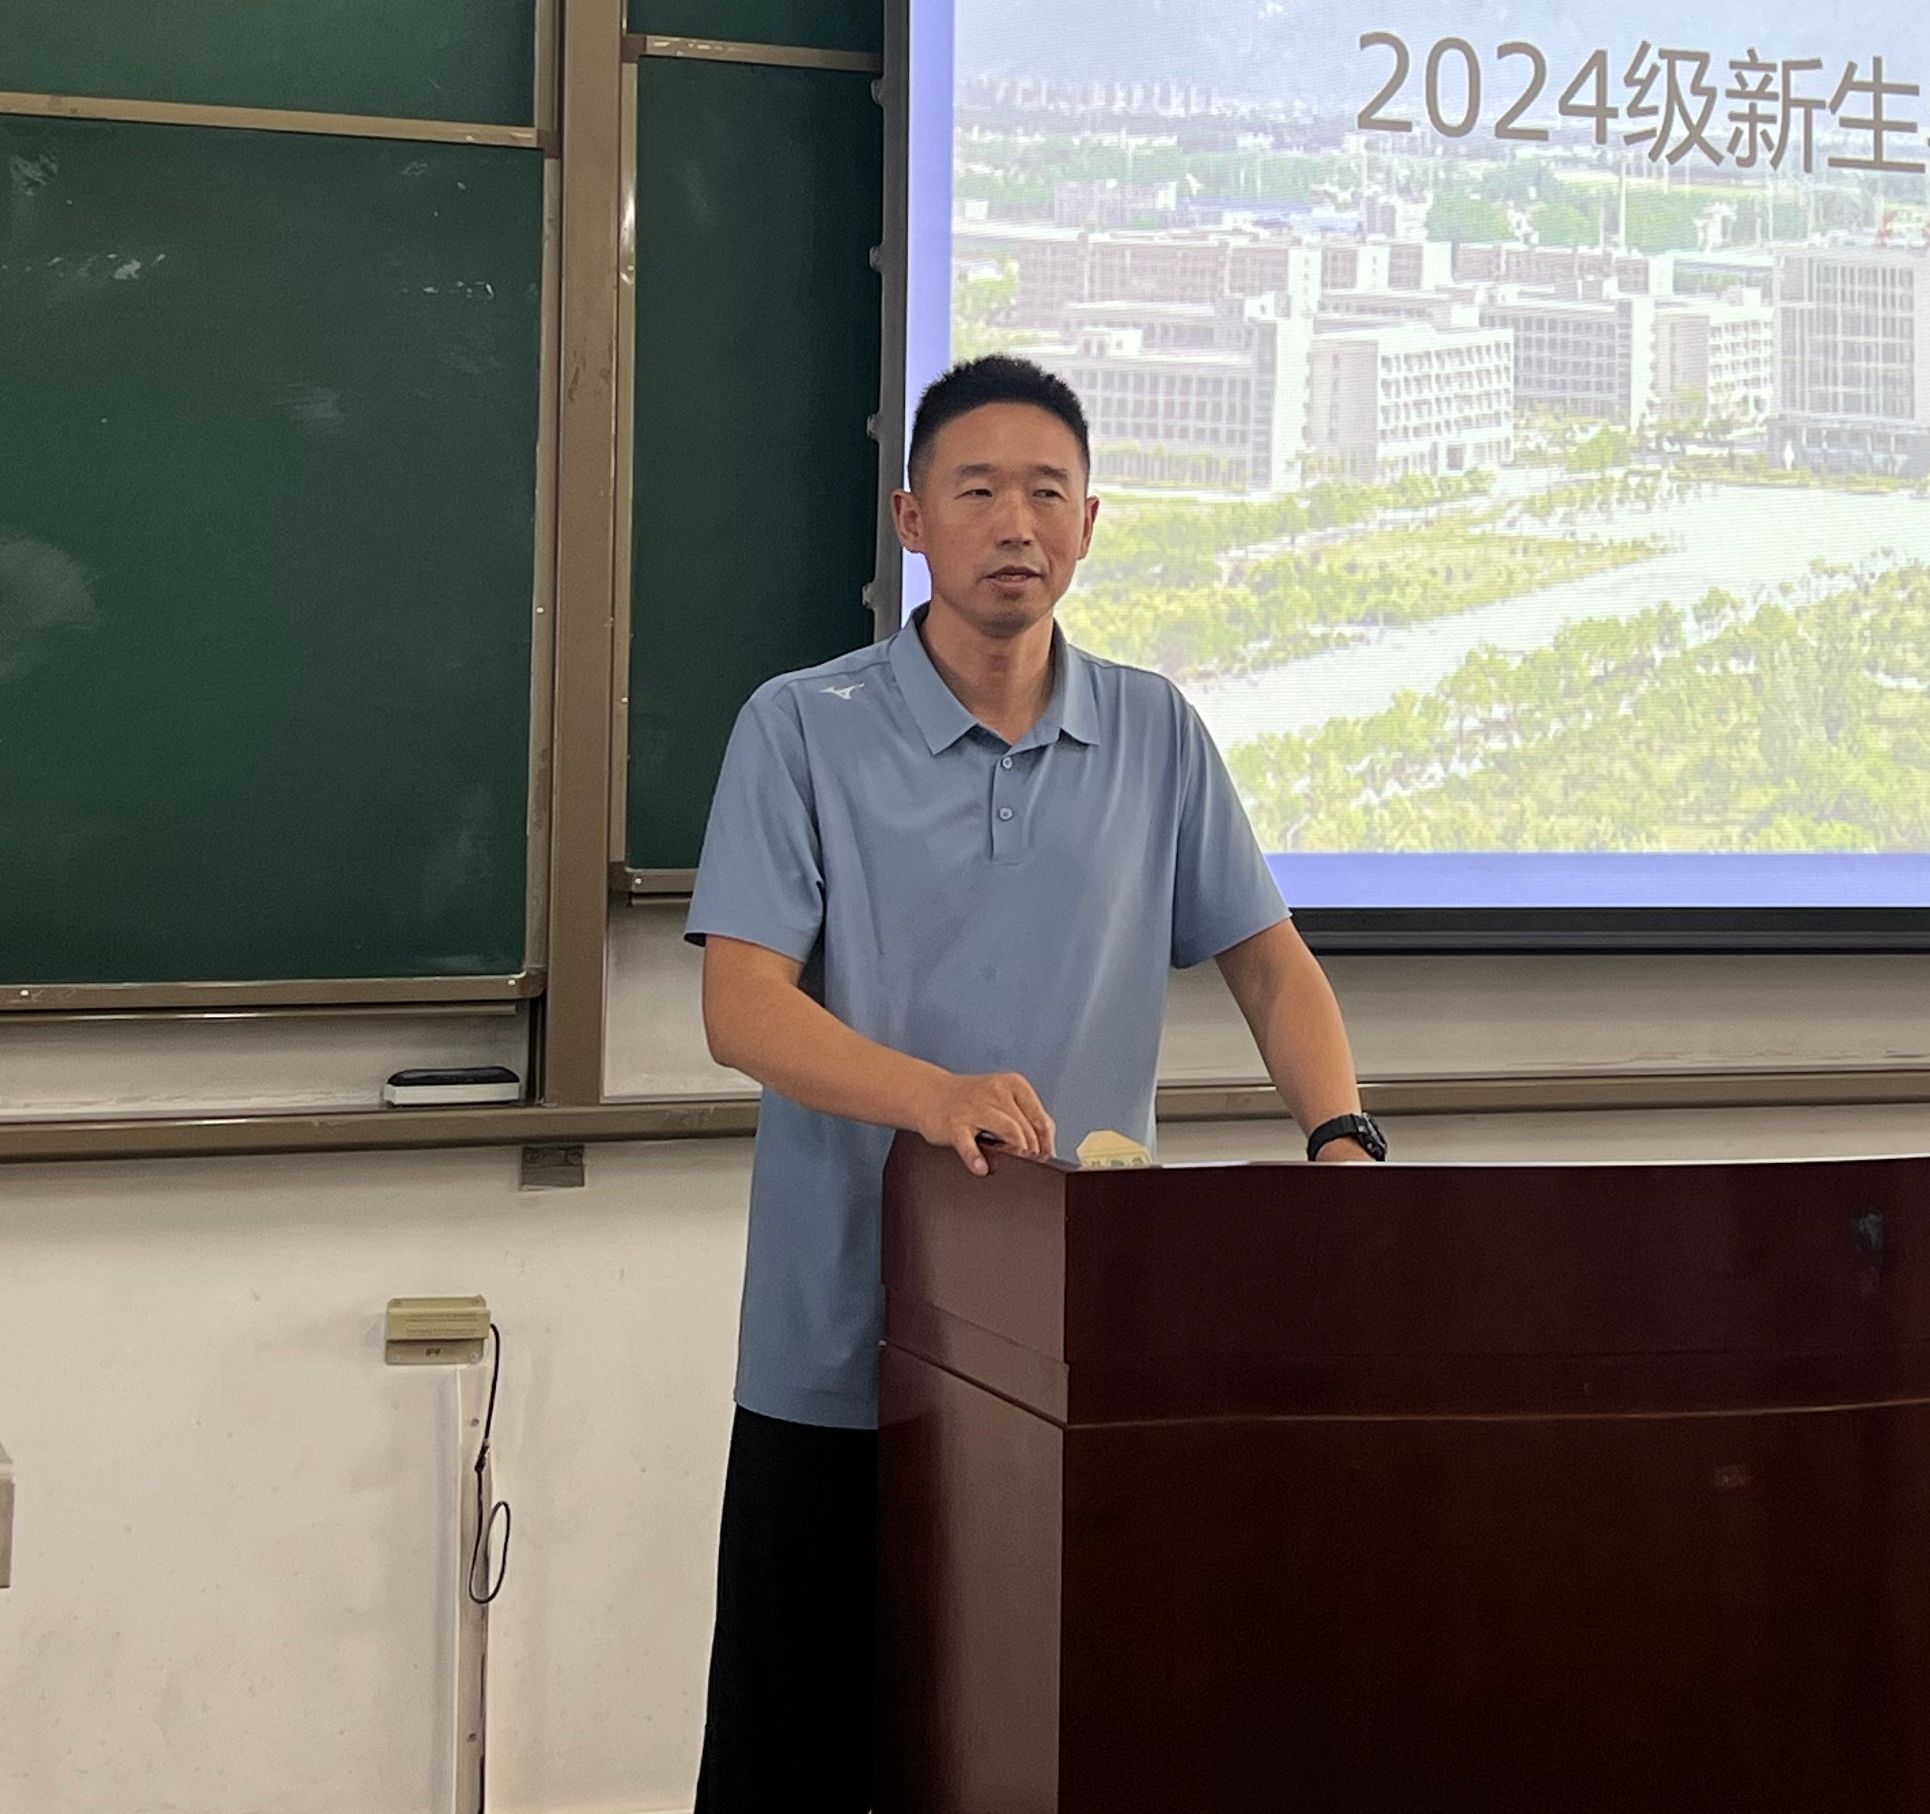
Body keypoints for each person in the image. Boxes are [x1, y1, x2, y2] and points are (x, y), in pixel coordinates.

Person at [683, 354, 1383, 1810]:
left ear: (1089, 524)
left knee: (1058, 1744)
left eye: (1048, 492)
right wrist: (930, 1095)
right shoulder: (800, 725)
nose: (1016, 522)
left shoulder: (1155, 730)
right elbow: (740, 1008)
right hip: (844, 1338)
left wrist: (1342, 1137)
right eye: (978, 489)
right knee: (802, 1757)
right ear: (911, 518)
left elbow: (1273, 968)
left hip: (1083, 1351)